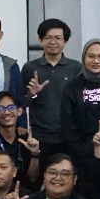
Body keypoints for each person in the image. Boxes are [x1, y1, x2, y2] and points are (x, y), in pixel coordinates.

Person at [22, 18, 80, 161]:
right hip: (39, 136)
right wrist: (33, 94)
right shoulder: (30, 67)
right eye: (48, 37)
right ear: (40, 40)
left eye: (58, 38)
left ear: (65, 41)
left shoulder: (76, 67)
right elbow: (20, 104)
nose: (53, 42)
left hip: (68, 135)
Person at [0, 90, 39, 186]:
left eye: (11, 107)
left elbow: (32, 179)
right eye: (0, 108)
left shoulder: (27, 139)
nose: (6, 112)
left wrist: (34, 154)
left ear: (19, 111)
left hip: (24, 191)